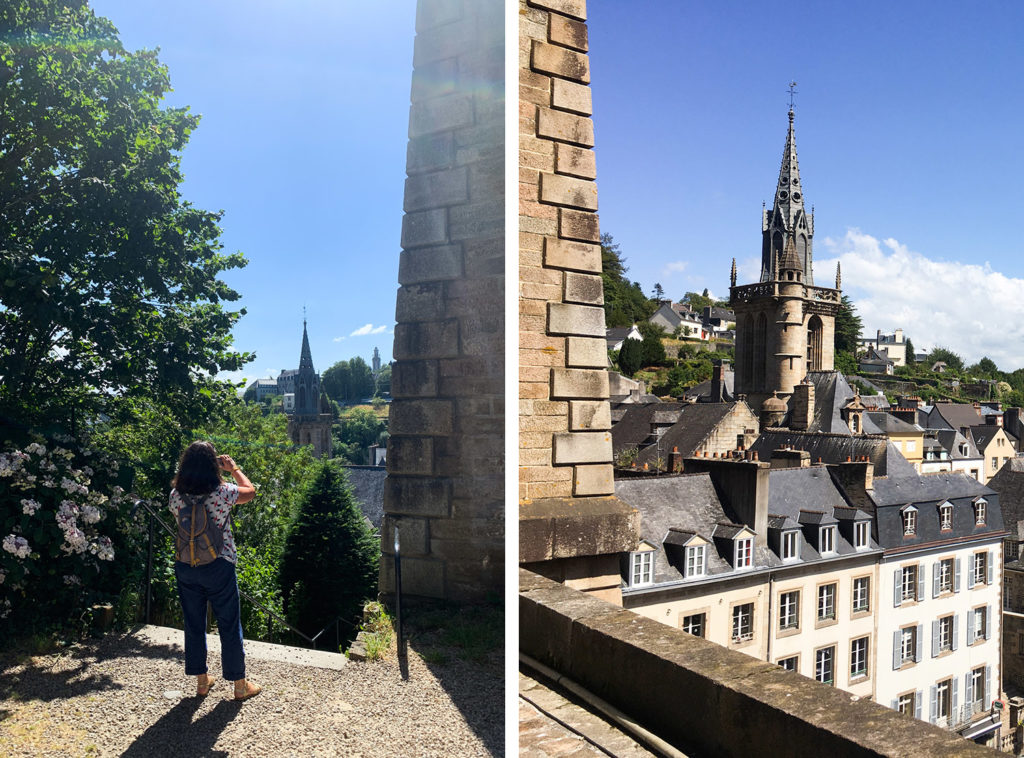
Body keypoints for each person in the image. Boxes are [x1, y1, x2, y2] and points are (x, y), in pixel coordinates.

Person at [169, 440, 262, 700]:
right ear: (213, 466)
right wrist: (233, 468)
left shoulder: (176, 495)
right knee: (229, 624)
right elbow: (250, 491)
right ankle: (240, 685)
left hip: (186, 564)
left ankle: (201, 681)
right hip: (219, 564)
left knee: (194, 623)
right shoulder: (222, 493)